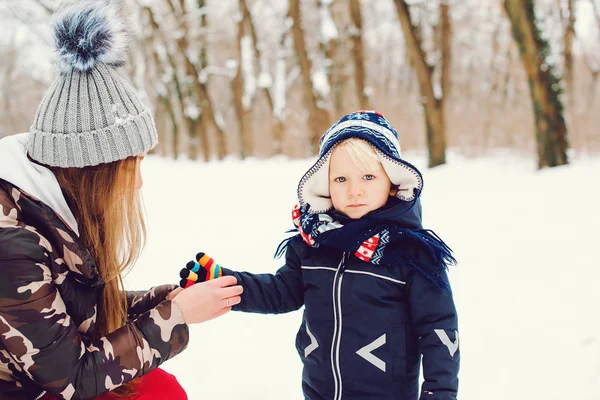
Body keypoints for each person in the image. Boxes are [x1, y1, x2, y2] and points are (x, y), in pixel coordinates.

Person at [0, 1, 242, 399]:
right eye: (133, 166)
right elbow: (70, 379)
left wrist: (168, 300)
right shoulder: (11, 245)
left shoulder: (57, 208)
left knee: (161, 389)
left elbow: (79, 313)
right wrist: (175, 318)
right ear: (95, 169)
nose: (138, 183)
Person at [182, 111, 460, 399]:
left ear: (391, 181)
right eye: (340, 179)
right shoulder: (313, 245)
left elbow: (439, 332)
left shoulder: (412, 255)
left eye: (368, 176)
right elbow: (280, 292)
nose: (354, 190)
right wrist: (223, 282)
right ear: (325, 185)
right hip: (319, 391)